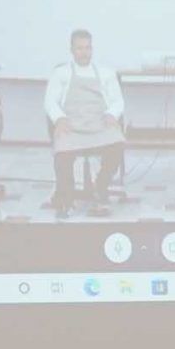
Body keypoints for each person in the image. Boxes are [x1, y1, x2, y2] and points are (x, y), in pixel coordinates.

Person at [44, 28, 127, 218]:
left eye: (88, 48)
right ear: (72, 50)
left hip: (99, 122)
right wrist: (59, 118)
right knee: (62, 152)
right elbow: (50, 101)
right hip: (71, 124)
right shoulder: (61, 73)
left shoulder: (106, 73)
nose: (84, 52)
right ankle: (66, 195)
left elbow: (118, 101)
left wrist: (112, 114)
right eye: (80, 48)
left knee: (118, 143)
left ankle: (101, 185)